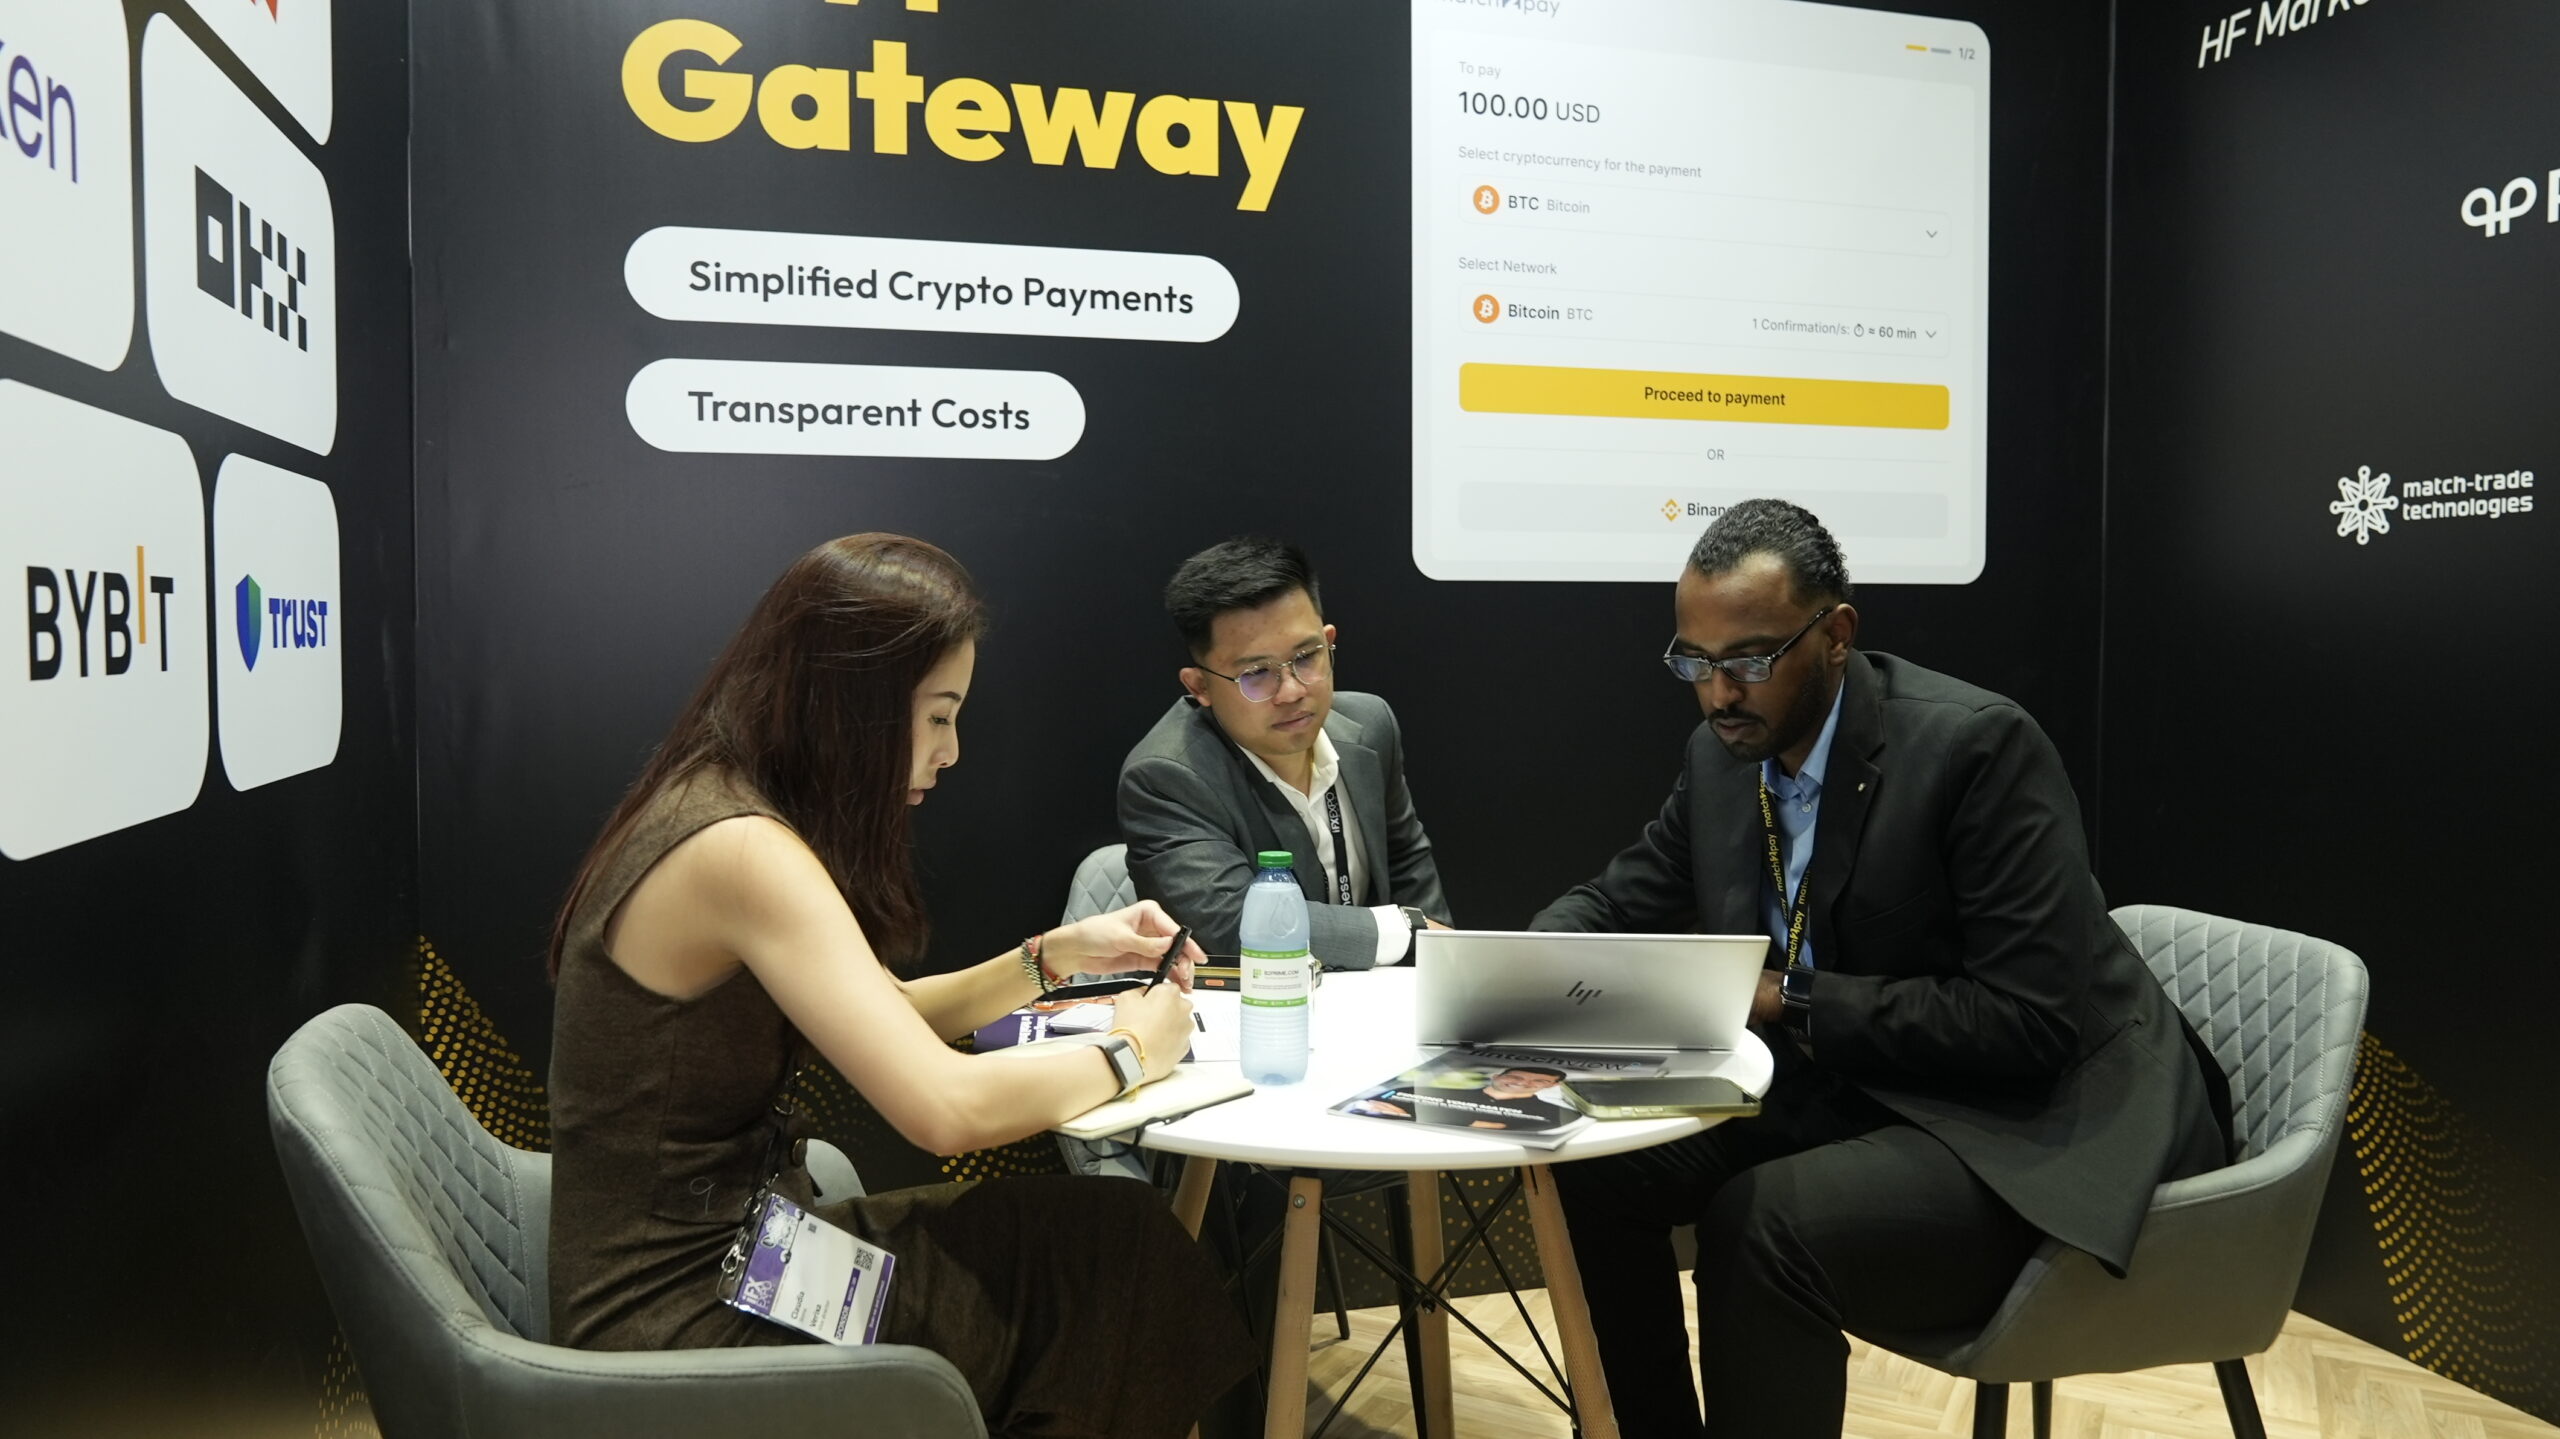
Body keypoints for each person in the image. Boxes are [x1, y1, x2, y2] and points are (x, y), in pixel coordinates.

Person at [1531, 500, 2228, 1439]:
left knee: (1761, 1222)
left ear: (1836, 635)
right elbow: (1618, 902)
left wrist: (1788, 997)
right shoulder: (1723, 757)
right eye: (1694, 662)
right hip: (1855, 1084)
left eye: (1750, 660)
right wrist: (1524, 965)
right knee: (1594, 1164)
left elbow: (2028, 1022)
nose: (1718, 693)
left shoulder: (1976, 748)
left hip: (2025, 1121)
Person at [544, 533, 1253, 1439]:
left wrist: (1053, 957)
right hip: (684, 1317)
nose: (951, 751)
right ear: (854, 705)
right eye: (937, 716)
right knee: (1116, 1265)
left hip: (741, 1255)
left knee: (1114, 1241)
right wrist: (1131, 1050)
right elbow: (944, 1111)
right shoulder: (742, 850)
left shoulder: (720, 801)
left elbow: (890, 1011)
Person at [1119, 537, 1451, 968]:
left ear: (1329, 641)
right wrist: (1407, 932)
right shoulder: (1165, 776)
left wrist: (1444, 965)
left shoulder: (1371, 727)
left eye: (1307, 657)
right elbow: (1230, 924)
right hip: (1256, 1002)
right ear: (1200, 686)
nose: (1292, 691)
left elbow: (1407, 863)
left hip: (1381, 998)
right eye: (1257, 673)